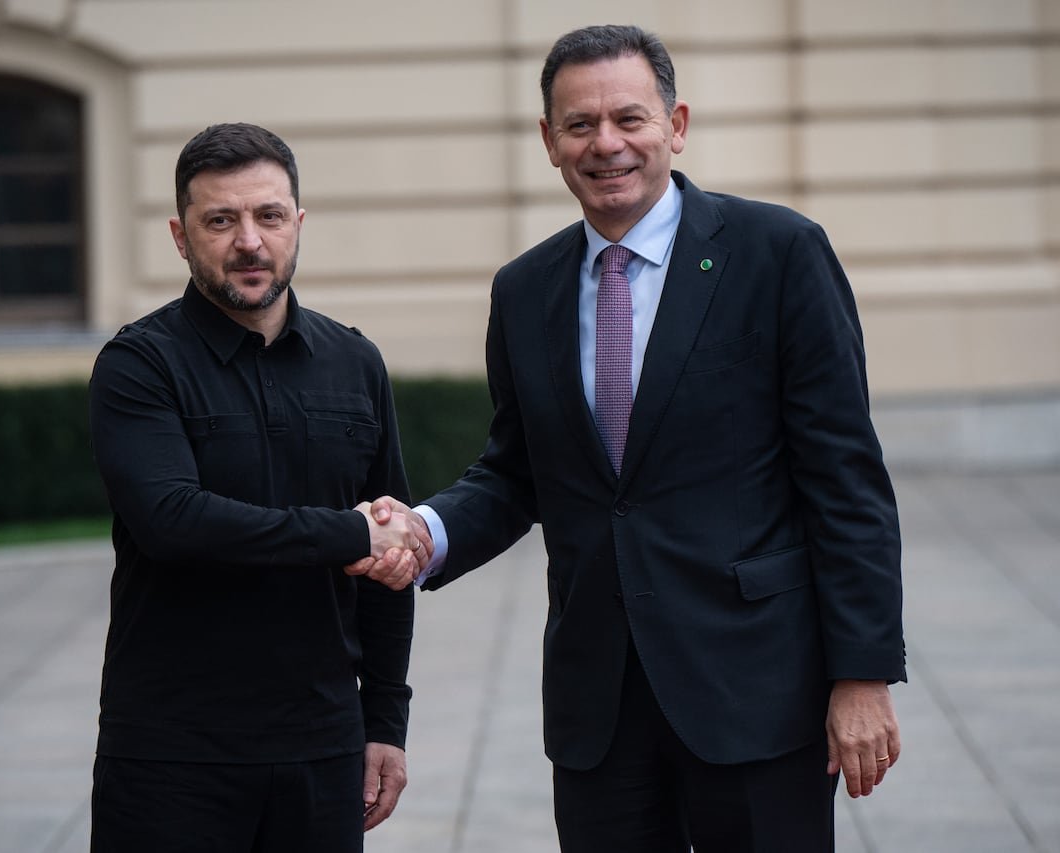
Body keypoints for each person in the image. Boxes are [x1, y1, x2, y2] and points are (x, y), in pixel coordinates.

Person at [361, 24, 905, 852]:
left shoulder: (779, 253)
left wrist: (862, 674)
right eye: (580, 124)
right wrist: (425, 532)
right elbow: (515, 472)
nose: (606, 143)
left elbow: (846, 478)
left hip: (755, 692)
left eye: (629, 118)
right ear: (550, 141)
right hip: (600, 709)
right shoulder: (524, 291)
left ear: (675, 125)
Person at [87, 122, 429, 852]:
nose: (250, 241)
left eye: (269, 216)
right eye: (221, 221)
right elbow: (173, 520)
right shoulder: (139, 365)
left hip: (323, 749)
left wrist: (385, 723)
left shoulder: (356, 362)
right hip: (171, 756)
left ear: (297, 223)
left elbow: (390, 566)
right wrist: (352, 533)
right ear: (180, 237)